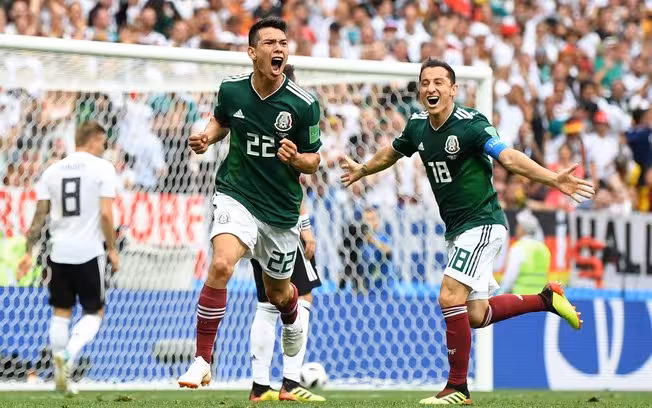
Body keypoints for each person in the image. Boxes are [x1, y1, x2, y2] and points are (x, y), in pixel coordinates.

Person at [340, 59, 593, 405]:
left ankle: (457, 388)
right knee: (475, 314)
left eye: (439, 82)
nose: (431, 88)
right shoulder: (417, 126)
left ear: (453, 89)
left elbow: (509, 158)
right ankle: (545, 299)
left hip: (482, 222)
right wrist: (363, 169)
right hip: (457, 230)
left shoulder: (471, 124)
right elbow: (393, 153)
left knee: (449, 296)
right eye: (425, 83)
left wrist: (553, 179)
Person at [178, 17, 322, 391]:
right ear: (252, 52)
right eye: (270, 43)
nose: (279, 49)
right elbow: (222, 121)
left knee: (279, 295)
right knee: (221, 264)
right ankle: (202, 360)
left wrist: (297, 158)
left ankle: (293, 316)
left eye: (283, 43)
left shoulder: (304, 104)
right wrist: (207, 137)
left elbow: (314, 160)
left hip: (281, 212)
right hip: (236, 194)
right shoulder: (232, 90)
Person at [18, 121, 119, 395]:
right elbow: (106, 214)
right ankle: (70, 354)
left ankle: (59, 373)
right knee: (94, 312)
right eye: (103, 142)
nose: (104, 147)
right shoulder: (103, 168)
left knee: (60, 313)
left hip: (58, 253)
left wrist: (28, 252)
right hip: (89, 252)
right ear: (94, 139)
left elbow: (39, 216)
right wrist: (111, 248)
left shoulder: (51, 172)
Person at [248, 64, 325, 403]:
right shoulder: (289, 123)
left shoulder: (252, 119)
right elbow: (293, 182)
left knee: (266, 303)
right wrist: (306, 229)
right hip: (283, 225)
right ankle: (291, 382)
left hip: (252, 220)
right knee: (302, 297)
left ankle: (260, 385)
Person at [499, 210, 550, 295]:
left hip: (521, 296)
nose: (516, 229)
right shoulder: (544, 249)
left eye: (518, 227)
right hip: (539, 297)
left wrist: (501, 292)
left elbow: (511, 275)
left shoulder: (519, 247)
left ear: (522, 230)